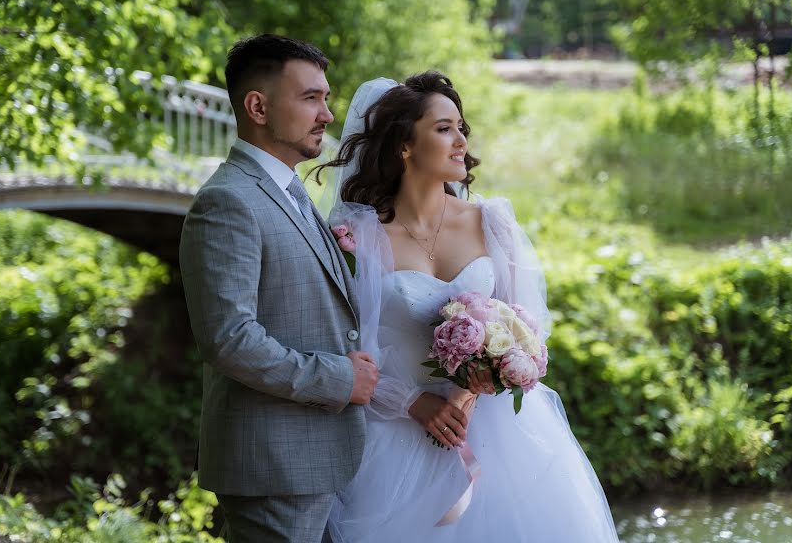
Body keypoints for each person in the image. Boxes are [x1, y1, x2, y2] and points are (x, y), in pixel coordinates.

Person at [315, 72, 620, 541]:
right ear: (404, 146)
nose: (461, 141)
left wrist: (469, 391)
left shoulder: (491, 221)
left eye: (462, 128)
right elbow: (347, 343)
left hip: (500, 435)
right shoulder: (358, 235)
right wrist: (415, 403)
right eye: (443, 129)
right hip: (398, 430)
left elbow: (527, 329)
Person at [178, 34, 379, 543]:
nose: (327, 115)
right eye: (310, 98)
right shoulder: (227, 202)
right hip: (273, 469)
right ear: (258, 106)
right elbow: (229, 339)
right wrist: (338, 379)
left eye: (326, 98)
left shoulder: (289, 189)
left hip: (323, 462)